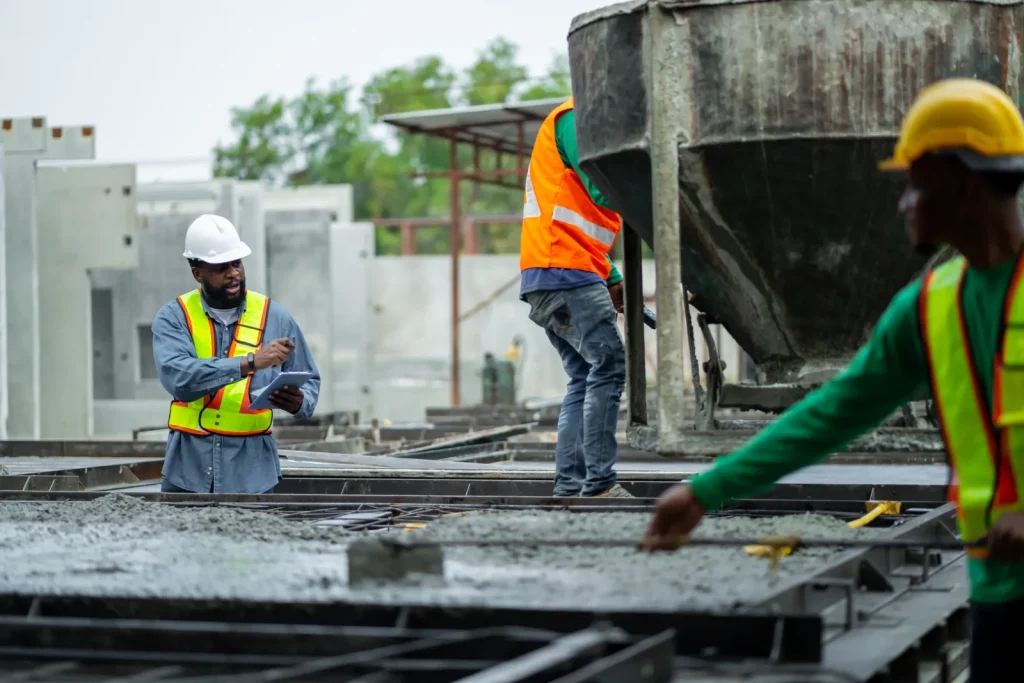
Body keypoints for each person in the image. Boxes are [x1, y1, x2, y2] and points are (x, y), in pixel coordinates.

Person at [641, 78, 1024, 682]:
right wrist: (706, 490)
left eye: (915, 184)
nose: (903, 203)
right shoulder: (930, 307)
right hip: (998, 591)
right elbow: (834, 411)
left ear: (965, 181)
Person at [151, 214, 321, 494]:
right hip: (189, 473)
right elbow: (179, 379)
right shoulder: (175, 318)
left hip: (254, 475)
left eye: (237, 263)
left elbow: (310, 380)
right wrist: (251, 362)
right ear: (198, 273)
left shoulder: (275, 317)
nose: (234, 273)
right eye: (221, 267)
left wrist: (300, 402)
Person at [519, 97, 632, 499]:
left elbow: (580, 216)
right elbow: (606, 189)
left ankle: (570, 486)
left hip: (553, 272)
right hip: (565, 269)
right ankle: (599, 485)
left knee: (585, 375)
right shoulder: (574, 118)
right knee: (609, 364)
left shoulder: (570, 123)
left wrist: (612, 274)